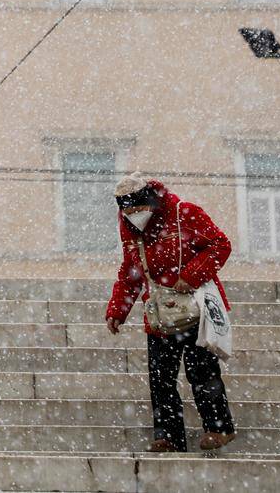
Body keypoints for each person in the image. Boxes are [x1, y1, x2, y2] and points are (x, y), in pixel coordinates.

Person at [104, 174, 237, 452]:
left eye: (138, 210)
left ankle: (218, 428)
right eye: (127, 212)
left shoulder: (184, 213)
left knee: (201, 371)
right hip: (160, 313)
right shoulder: (128, 227)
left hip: (196, 308)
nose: (134, 216)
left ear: (151, 203)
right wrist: (118, 309)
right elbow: (131, 271)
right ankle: (168, 436)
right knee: (160, 378)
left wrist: (190, 275)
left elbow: (220, 245)